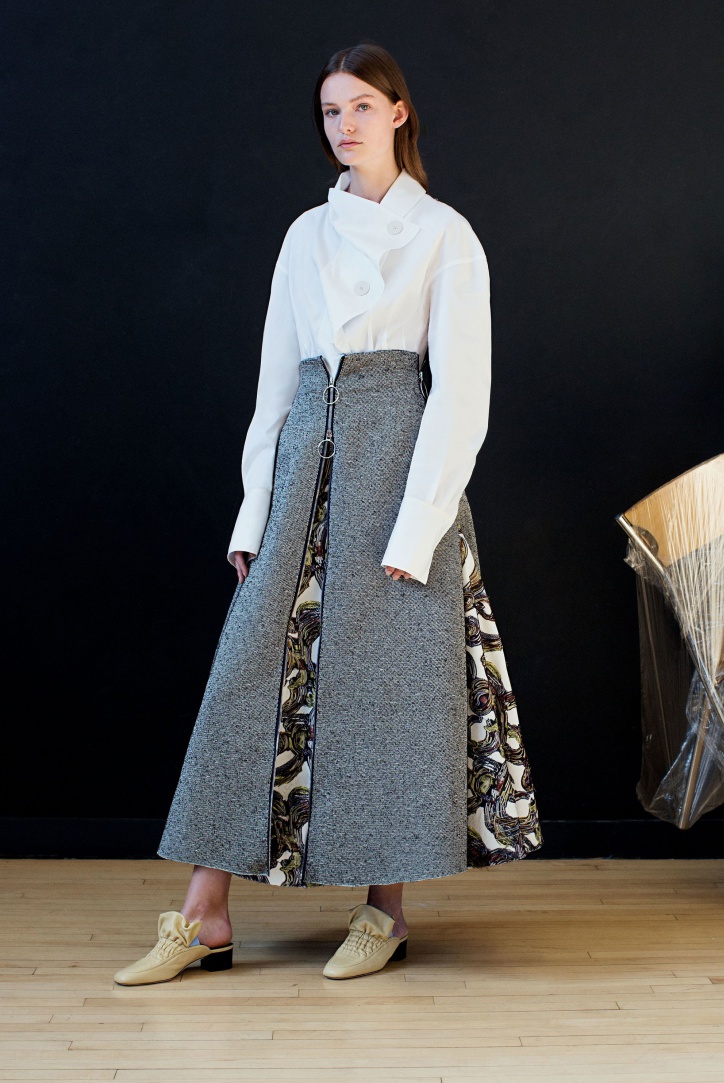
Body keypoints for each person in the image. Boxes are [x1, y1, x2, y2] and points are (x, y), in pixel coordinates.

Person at [114, 41, 542, 988]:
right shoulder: (305, 235)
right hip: (305, 464)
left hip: (399, 471)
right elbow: (276, 386)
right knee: (244, 683)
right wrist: (252, 515)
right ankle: (205, 913)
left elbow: (461, 395)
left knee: (391, 692)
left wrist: (418, 525)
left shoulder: (445, 235)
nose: (343, 125)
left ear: (398, 112)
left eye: (360, 107)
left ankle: (385, 911)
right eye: (329, 112)